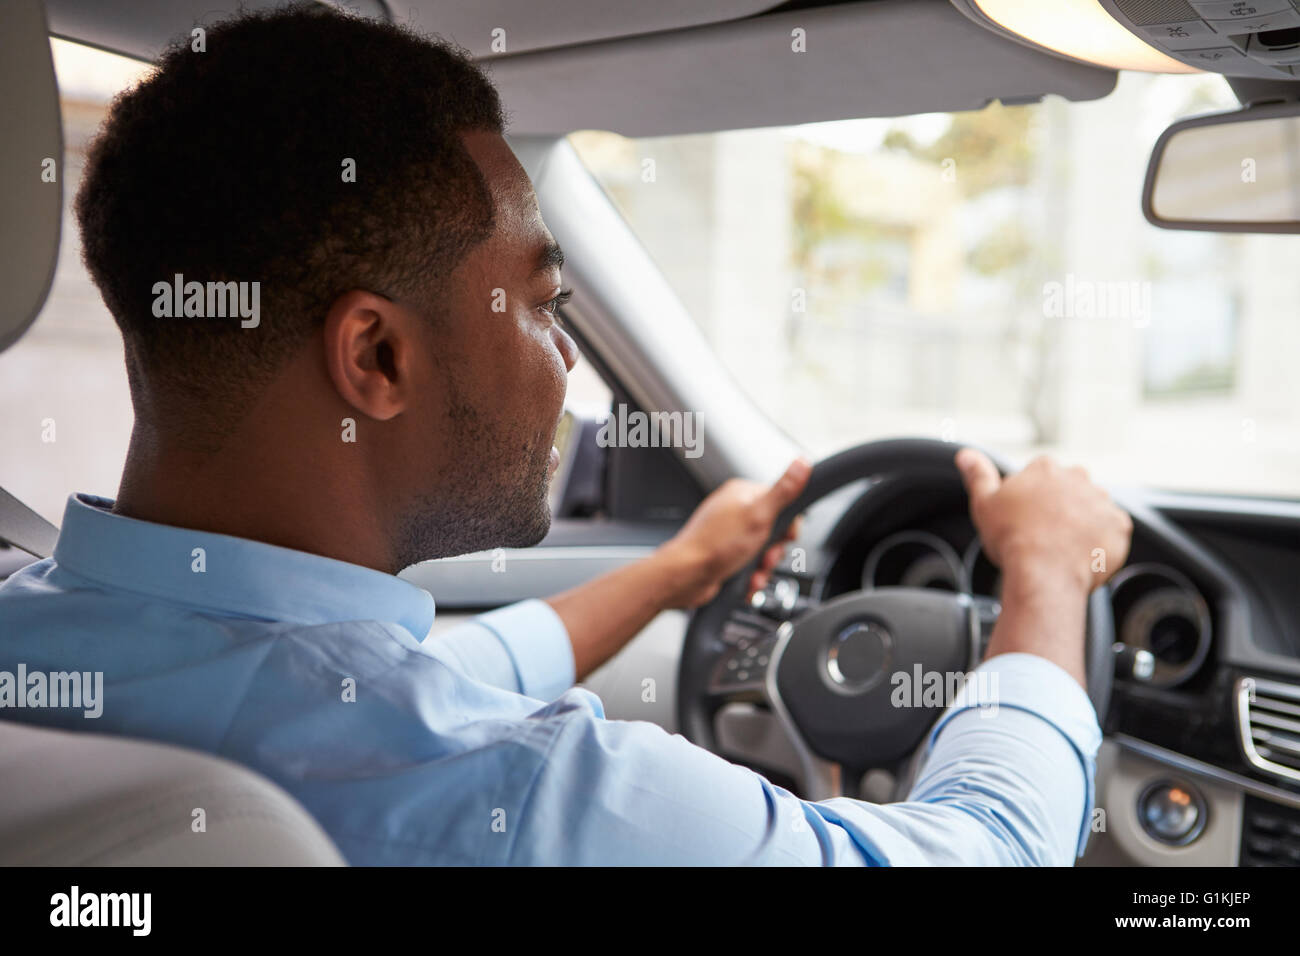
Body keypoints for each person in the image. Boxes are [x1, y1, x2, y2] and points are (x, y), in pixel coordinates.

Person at [0, 4, 1132, 865]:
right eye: (541, 307)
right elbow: (987, 849)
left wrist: (675, 570)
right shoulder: (522, 796)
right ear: (377, 358)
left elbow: (380, 683)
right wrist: (1043, 570)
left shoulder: (39, 629)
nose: (571, 363)